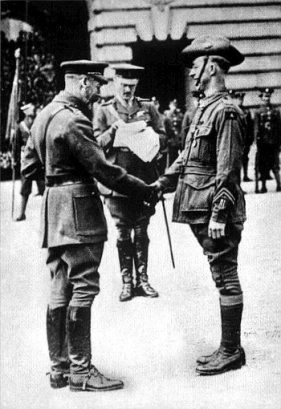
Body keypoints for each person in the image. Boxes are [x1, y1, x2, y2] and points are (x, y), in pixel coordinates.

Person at [21, 60, 157, 392]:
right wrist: (144, 190)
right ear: (83, 83)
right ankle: (81, 372)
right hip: (79, 210)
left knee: (60, 285)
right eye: (96, 85)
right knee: (83, 285)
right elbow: (103, 169)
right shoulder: (75, 120)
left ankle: (60, 369)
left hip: (54, 212)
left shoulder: (43, 115)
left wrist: (56, 184)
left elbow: (28, 167)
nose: (98, 93)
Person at [152, 36, 247, 375]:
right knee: (220, 274)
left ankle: (231, 350)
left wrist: (221, 211)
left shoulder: (227, 112)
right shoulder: (204, 109)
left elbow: (229, 168)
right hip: (200, 207)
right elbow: (188, 156)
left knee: (226, 277)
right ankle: (228, 347)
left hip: (214, 211)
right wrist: (163, 181)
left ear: (212, 66)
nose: (192, 73)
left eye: (196, 65)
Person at [94, 63, 165, 302]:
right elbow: (96, 144)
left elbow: (164, 137)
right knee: (123, 233)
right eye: (123, 85)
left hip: (144, 180)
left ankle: (143, 279)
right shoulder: (104, 111)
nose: (127, 91)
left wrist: (151, 136)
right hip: (117, 182)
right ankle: (127, 282)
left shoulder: (147, 107)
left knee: (142, 230)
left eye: (132, 86)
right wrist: (114, 130)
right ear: (115, 83)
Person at [13, 103, 45, 221]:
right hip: (26, 160)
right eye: (31, 111)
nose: (33, 112)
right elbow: (16, 145)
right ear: (26, 113)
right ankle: (22, 213)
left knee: (43, 186)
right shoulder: (20, 127)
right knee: (25, 187)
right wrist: (14, 160)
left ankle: (46, 213)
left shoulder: (37, 123)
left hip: (38, 158)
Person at [254, 88, 281, 193]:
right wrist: (256, 141)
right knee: (263, 165)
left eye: (268, 96)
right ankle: (263, 186)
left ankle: (279, 184)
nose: (267, 99)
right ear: (262, 98)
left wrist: (279, 142)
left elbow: (279, 127)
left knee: (275, 164)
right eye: (265, 96)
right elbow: (256, 128)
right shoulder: (258, 112)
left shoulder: (275, 111)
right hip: (263, 143)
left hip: (274, 143)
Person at [229, 90, 254, 182]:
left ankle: (245, 175)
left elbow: (250, 126)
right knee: (236, 160)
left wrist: (251, 139)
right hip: (236, 139)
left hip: (246, 139)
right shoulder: (232, 110)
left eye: (241, 99)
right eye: (238, 99)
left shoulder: (246, 111)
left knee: (245, 158)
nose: (240, 101)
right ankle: (237, 179)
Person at [163, 99, 184, 166]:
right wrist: (168, 137)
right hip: (171, 139)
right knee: (171, 157)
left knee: (180, 157)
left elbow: (182, 126)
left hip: (178, 139)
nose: (174, 107)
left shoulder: (180, 114)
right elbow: (166, 127)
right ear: (170, 106)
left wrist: (181, 137)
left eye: (175, 105)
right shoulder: (167, 114)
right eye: (172, 105)